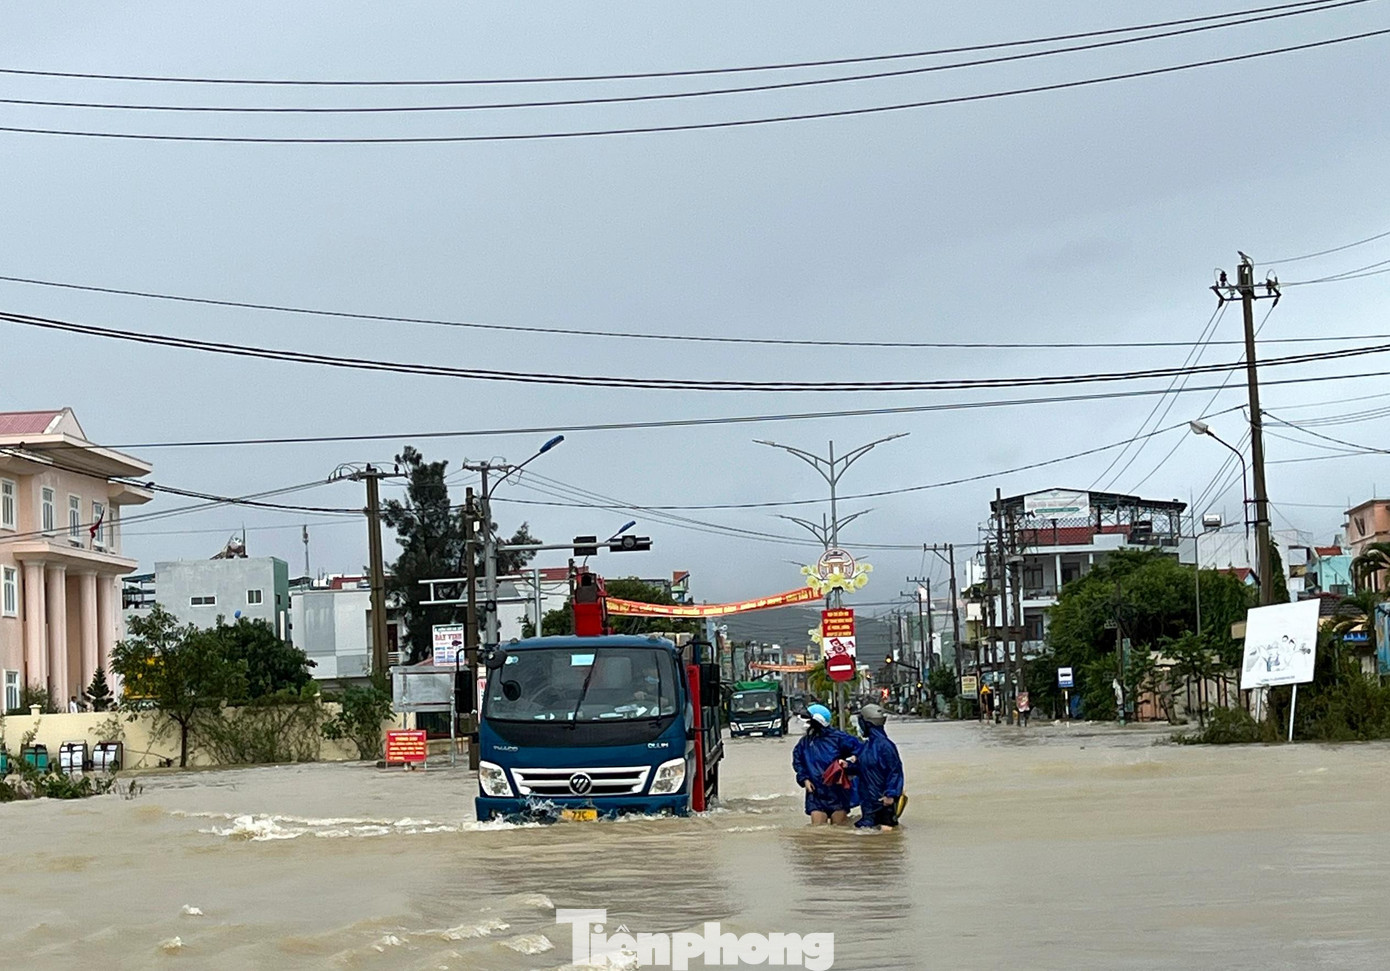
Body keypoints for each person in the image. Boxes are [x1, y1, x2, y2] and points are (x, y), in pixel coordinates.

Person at [792, 703, 860, 825]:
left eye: (809, 720)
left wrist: (848, 764)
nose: (806, 724)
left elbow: (861, 753)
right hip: (815, 793)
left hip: (837, 792)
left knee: (839, 833)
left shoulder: (839, 738)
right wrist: (805, 779)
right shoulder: (805, 742)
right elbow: (798, 761)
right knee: (818, 833)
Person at [847, 704, 904, 831]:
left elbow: (895, 771)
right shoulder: (866, 746)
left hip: (884, 802)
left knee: (886, 838)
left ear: (867, 723)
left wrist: (890, 794)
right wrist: (848, 766)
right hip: (868, 804)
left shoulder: (886, 746)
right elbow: (862, 768)